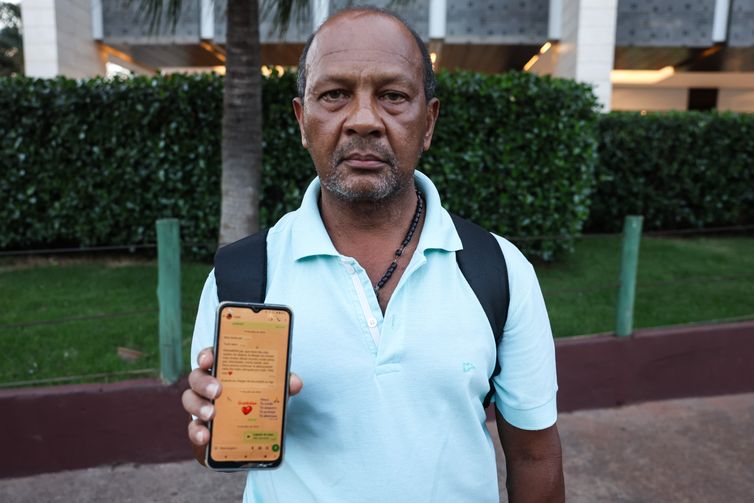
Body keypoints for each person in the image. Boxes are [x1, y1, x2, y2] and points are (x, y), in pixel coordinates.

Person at [182, 7, 564, 502]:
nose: (363, 120)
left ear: (428, 122)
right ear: (302, 120)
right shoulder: (242, 275)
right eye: (335, 95)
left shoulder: (499, 269)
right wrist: (206, 426)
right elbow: (215, 447)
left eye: (393, 96)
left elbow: (536, 455)